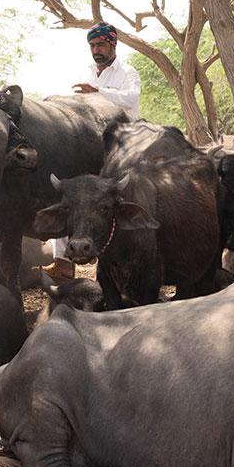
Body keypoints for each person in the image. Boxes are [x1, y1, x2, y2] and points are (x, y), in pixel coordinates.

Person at [40, 21, 141, 282]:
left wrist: (99, 92)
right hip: (88, 143)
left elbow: (132, 98)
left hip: (121, 143)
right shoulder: (87, 71)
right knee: (69, 197)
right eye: (93, 45)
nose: (96, 50)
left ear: (112, 44)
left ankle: (123, 263)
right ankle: (62, 262)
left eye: (101, 44)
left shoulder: (127, 72)